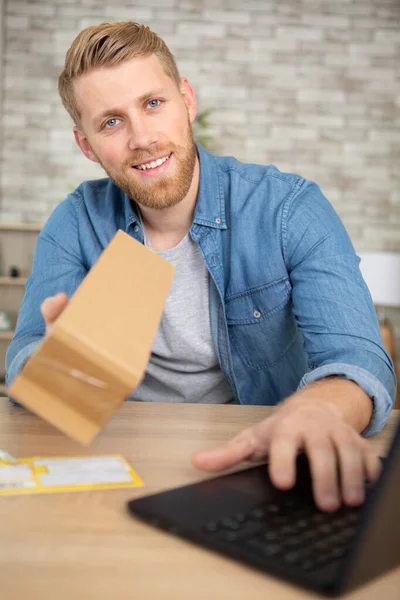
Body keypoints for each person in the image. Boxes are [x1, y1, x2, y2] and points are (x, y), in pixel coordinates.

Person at [6, 21, 396, 513]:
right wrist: (53, 370)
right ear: (86, 145)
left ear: (185, 100)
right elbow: (26, 361)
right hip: (115, 459)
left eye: (153, 103)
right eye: (110, 122)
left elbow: (358, 357)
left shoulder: (288, 208)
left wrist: (320, 408)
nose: (142, 138)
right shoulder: (75, 222)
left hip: (253, 460)